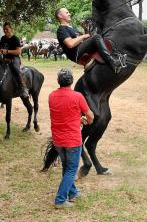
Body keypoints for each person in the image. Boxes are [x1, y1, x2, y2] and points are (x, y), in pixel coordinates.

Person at [49, 68, 94, 208]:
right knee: (71, 170)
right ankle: (60, 200)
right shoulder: (77, 96)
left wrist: (77, 119)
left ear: (58, 81)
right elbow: (90, 116)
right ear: (71, 81)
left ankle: (72, 193)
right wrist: (85, 120)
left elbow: (63, 114)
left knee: (66, 167)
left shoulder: (51, 95)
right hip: (72, 141)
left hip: (58, 140)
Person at [55, 8, 127, 73]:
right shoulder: (62, 29)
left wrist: (87, 32)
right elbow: (70, 44)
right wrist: (84, 36)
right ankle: (113, 63)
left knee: (103, 36)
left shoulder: (73, 28)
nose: (69, 14)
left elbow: (83, 40)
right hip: (76, 53)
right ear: (60, 16)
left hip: (81, 48)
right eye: (67, 13)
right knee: (96, 37)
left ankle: (116, 56)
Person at [0, 22, 28, 98]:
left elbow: (19, 51)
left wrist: (7, 51)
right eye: (4, 29)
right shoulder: (3, 38)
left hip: (14, 59)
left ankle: (24, 88)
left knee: (16, 70)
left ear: (11, 29)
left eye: (7, 29)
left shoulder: (15, 39)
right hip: (4, 58)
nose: (5, 30)